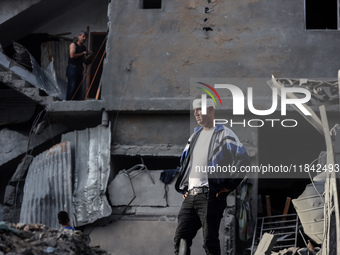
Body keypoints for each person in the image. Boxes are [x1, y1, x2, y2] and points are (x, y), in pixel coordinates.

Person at [174, 98, 250, 255]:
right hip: (191, 196)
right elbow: (184, 163)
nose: (196, 113)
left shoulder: (224, 134)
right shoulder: (194, 136)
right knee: (181, 238)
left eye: (199, 109)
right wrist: (185, 188)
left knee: (210, 241)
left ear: (210, 110)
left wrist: (228, 186)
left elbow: (243, 160)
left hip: (210, 196)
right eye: (194, 110)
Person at [66, 31, 88, 100]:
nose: (84, 38)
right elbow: (72, 56)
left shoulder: (84, 48)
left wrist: (89, 58)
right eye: (83, 36)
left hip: (79, 68)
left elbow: (84, 60)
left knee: (78, 88)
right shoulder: (73, 45)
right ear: (79, 36)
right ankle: (68, 104)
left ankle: (75, 105)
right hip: (72, 68)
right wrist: (82, 54)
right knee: (72, 87)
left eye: (86, 37)